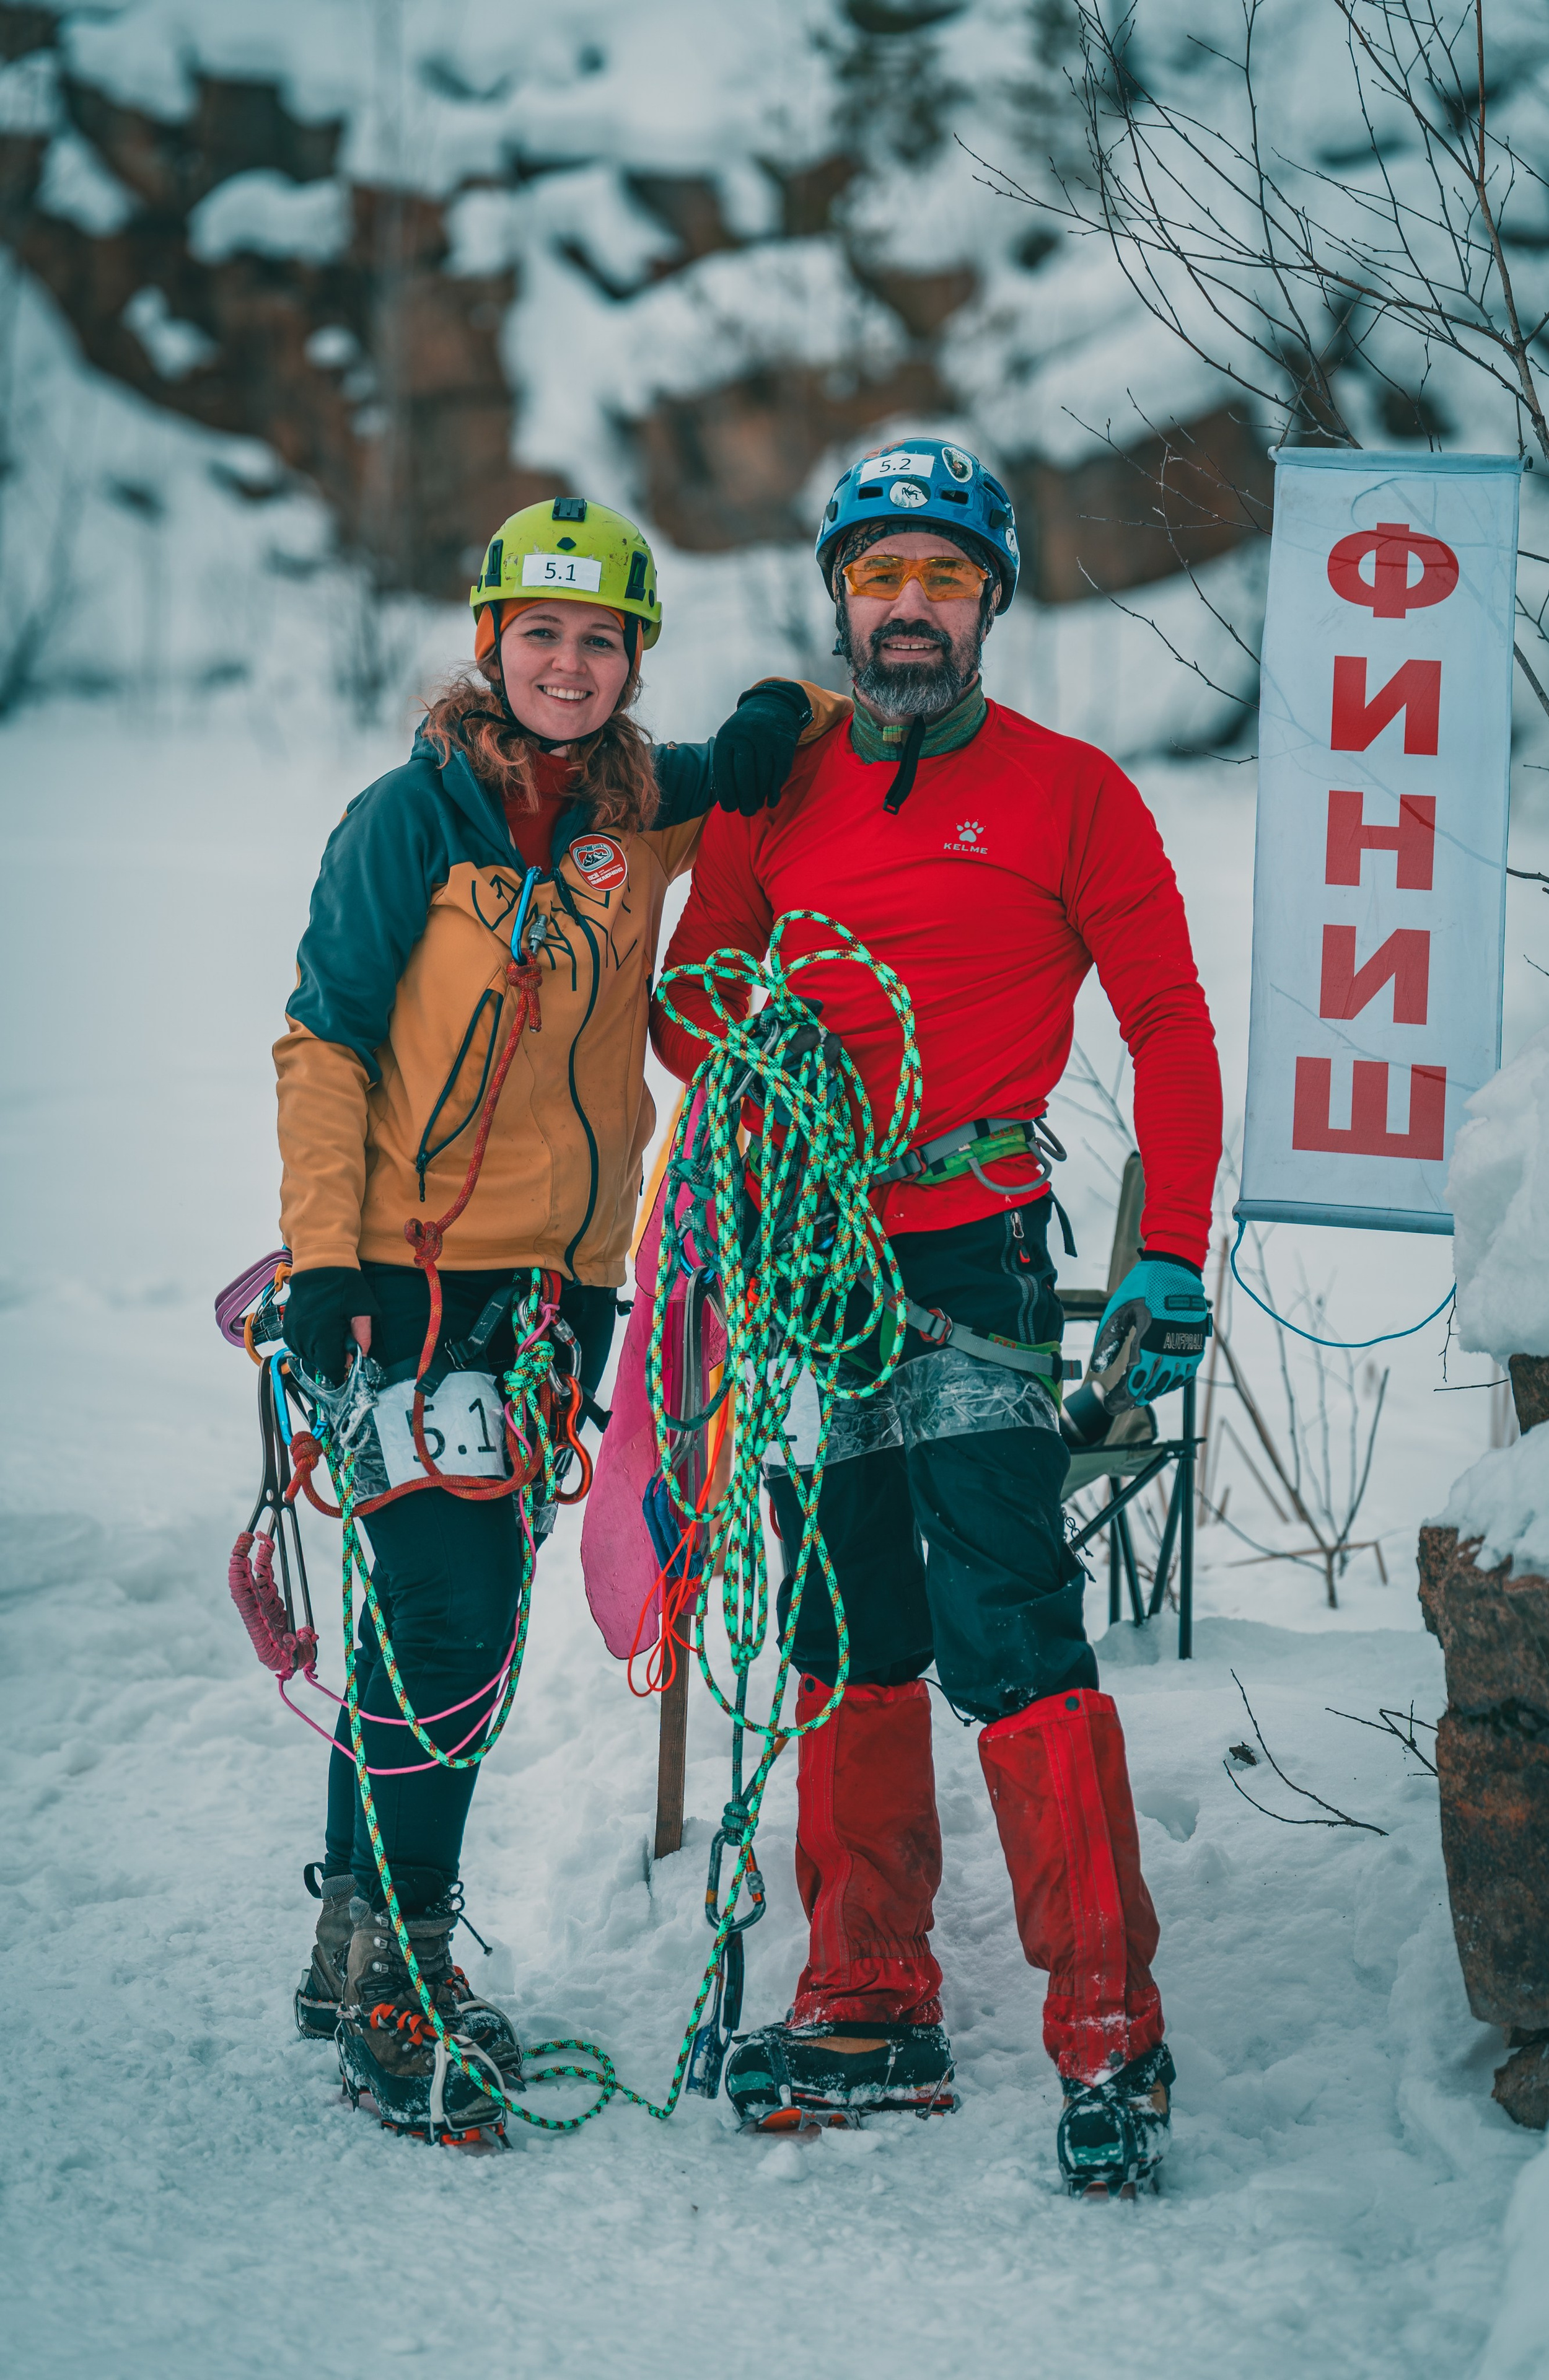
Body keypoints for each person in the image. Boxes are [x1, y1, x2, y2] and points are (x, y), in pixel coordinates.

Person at [650, 439, 1221, 2193]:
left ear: (991, 604)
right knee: (847, 1627)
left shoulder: (1072, 794)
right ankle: (869, 1992)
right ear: (842, 601)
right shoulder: (774, 780)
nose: (911, 608)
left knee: (1014, 1631)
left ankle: (1109, 2024)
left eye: (947, 578)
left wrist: (1168, 1248)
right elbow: (683, 1008)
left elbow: (1174, 1024)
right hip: (812, 1256)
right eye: (881, 576)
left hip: (972, 1254)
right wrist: (743, 946)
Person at [275, 496, 807, 2140]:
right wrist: (320, 1268)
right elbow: (324, 1043)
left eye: (601, 639)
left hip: (554, 1303)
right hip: (399, 1287)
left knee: (448, 1615)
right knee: (451, 1628)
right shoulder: (412, 818)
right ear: (489, 640)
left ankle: (353, 1924)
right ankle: (405, 1974)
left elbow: (756, 763)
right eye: (541, 632)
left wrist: (781, 728)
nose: (569, 663)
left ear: (630, 658)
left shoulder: (642, 812)